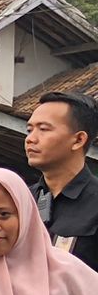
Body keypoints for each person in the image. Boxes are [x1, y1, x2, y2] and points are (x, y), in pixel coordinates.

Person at [26, 91, 98, 273]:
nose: (30, 139)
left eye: (43, 129)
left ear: (78, 140)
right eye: (29, 130)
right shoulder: (21, 200)